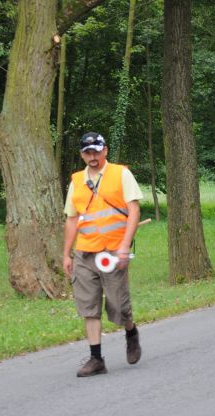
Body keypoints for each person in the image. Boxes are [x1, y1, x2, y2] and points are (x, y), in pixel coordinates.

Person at [62, 132, 143, 377]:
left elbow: (134, 211)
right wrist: (67, 254)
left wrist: (124, 247)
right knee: (89, 306)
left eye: (96, 151)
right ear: (82, 155)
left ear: (105, 151)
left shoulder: (121, 174)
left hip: (112, 251)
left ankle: (130, 331)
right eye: (88, 152)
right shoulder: (76, 181)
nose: (93, 157)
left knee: (118, 307)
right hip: (85, 253)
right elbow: (72, 219)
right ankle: (96, 359)